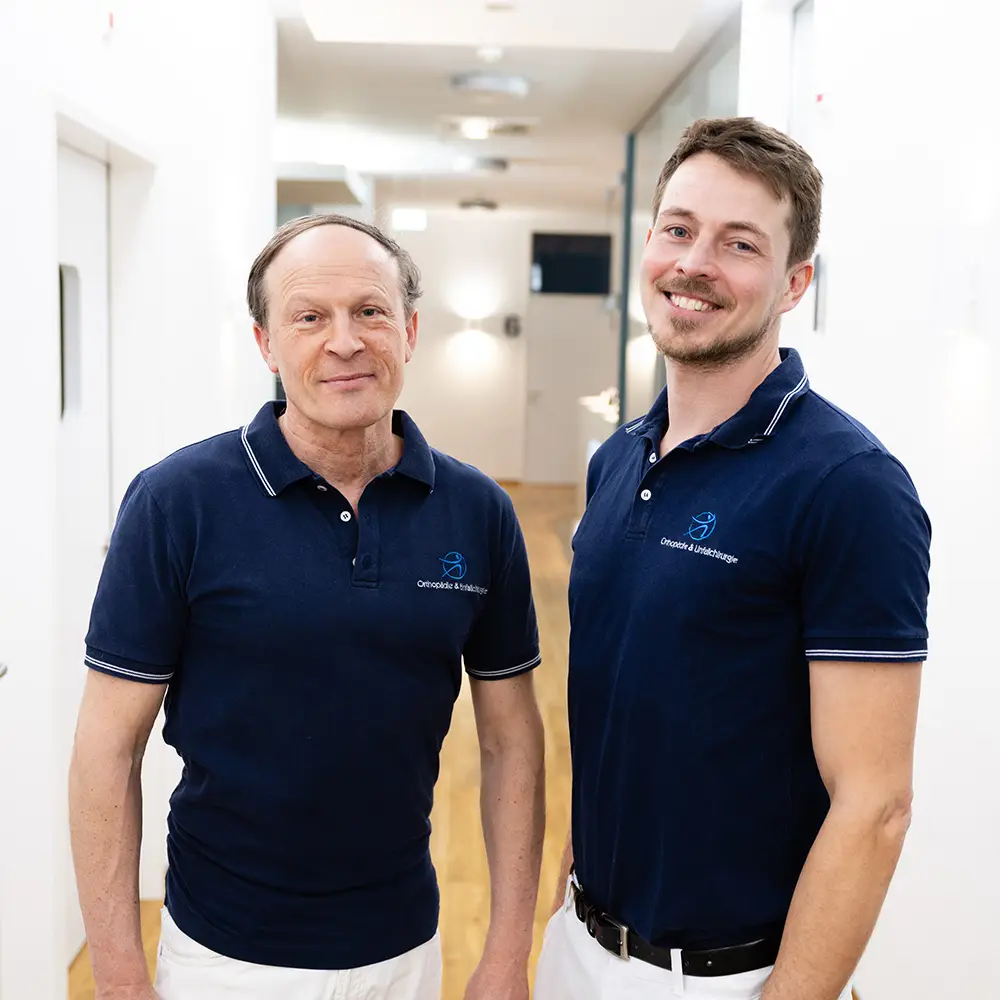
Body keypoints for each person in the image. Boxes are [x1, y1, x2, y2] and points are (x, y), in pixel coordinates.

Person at [69, 214, 546, 1000]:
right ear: (266, 344)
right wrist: (119, 977)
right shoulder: (176, 503)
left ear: (409, 330)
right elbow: (106, 750)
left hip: (405, 949)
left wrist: (506, 952)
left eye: (370, 311)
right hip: (225, 959)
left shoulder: (479, 512)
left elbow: (511, 743)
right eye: (310, 317)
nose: (345, 341)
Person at [536, 118, 931, 1000]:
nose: (694, 263)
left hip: (726, 979)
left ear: (795, 284)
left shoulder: (848, 485)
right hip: (580, 944)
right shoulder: (619, 459)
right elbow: (618, 723)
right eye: (678, 229)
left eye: (739, 243)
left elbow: (875, 804)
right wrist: (564, 913)